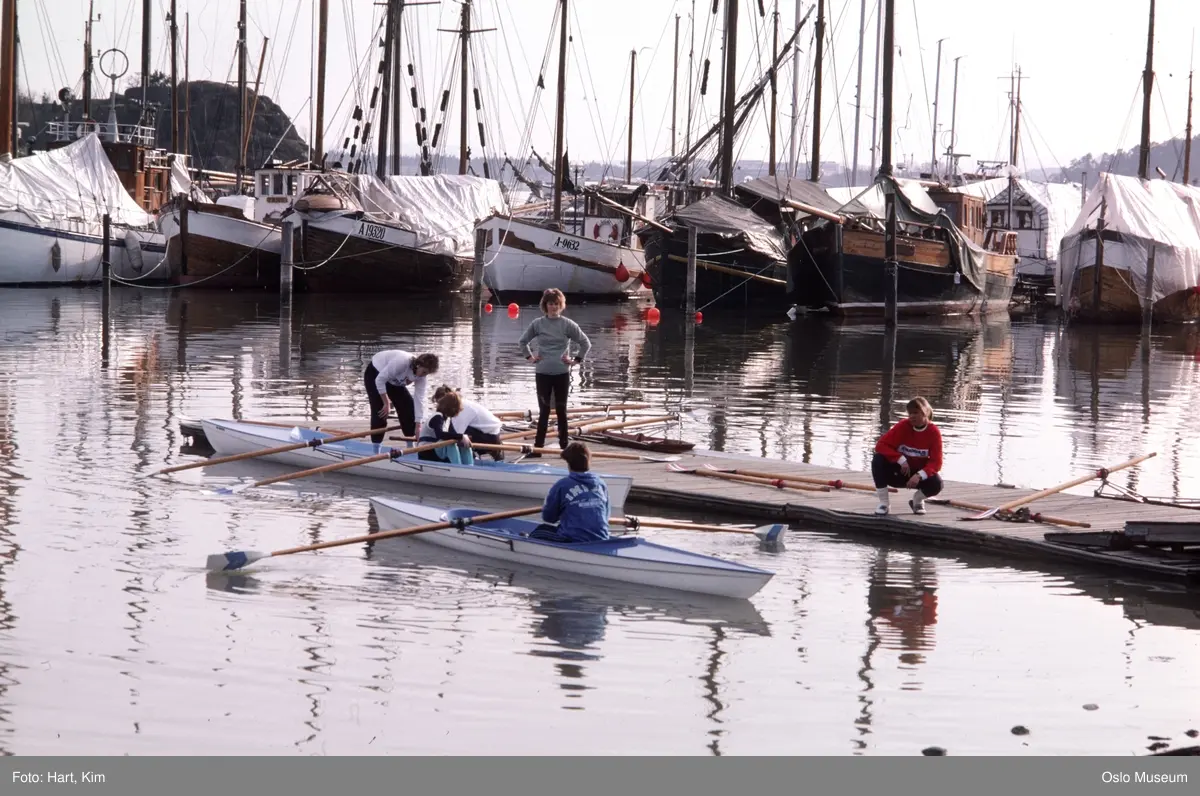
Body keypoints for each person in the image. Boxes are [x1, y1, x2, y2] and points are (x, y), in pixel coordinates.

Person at [517, 288, 591, 455]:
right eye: (550, 304)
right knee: (544, 411)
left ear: (561, 305)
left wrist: (576, 360)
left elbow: (585, 343)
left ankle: (565, 447)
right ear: (545, 305)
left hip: (561, 372)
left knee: (561, 410)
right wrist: (530, 357)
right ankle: (538, 448)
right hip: (543, 372)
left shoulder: (567, 324)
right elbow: (522, 342)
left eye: (556, 304)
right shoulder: (537, 324)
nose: (553, 307)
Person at [872, 396, 944, 516]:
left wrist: (920, 475)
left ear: (925, 412)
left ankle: (917, 501)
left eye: (915, 413)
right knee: (878, 459)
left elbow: (936, 462)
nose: (911, 416)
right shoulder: (903, 426)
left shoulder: (933, 432)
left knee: (937, 484)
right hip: (899, 472)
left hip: (917, 475)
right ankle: (884, 504)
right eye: (910, 413)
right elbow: (880, 445)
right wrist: (900, 459)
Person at [528, 442, 610, 544]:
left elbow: (549, 518)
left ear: (569, 464)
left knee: (537, 533)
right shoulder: (601, 484)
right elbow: (606, 515)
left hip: (573, 539)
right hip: (602, 538)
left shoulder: (562, 485)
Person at [364, 350, 439, 444]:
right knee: (381, 413)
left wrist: (418, 425)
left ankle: (410, 445)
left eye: (427, 374)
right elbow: (380, 380)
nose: (424, 376)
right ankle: (376, 449)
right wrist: (386, 402)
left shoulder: (422, 378)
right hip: (375, 373)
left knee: (409, 409)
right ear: (418, 365)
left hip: (394, 380)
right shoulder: (402, 362)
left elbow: (419, 399)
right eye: (424, 372)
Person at [432, 385, 507, 461]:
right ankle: (473, 457)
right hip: (491, 433)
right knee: (456, 434)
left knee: (456, 438)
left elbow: (454, 437)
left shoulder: (462, 409)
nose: (440, 408)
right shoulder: (460, 403)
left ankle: (470, 459)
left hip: (490, 438)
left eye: (441, 404)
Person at [416, 398, 472, 466]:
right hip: (426, 452)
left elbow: (454, 434)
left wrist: (463, 438)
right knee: (450, 443)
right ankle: (458, 468)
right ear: (452, 408)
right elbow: (440, 435)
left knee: (463, 442)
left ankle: (469, 466)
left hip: (436, 450)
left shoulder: (448, 419)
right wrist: (461, 436)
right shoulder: (437, 417)